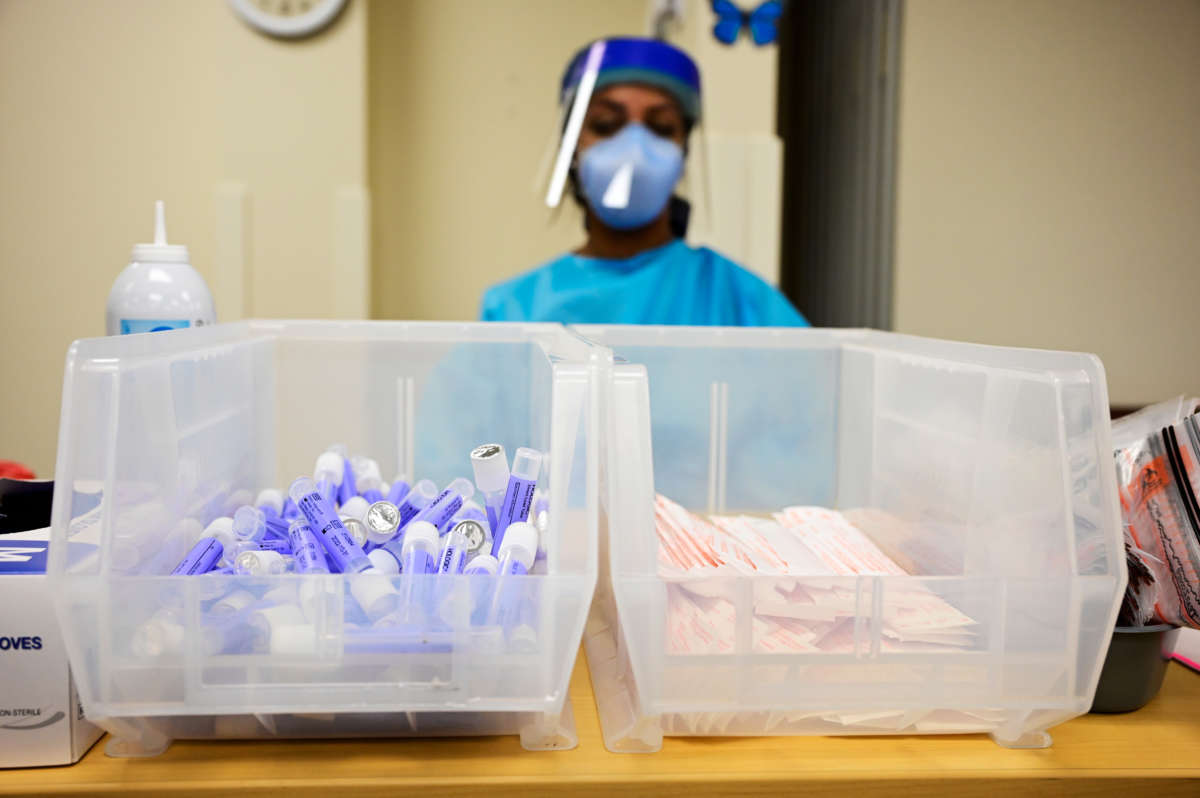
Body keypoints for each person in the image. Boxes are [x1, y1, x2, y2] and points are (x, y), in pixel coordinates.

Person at [481, 37, 807, 327]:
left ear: (684, 153)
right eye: (607, 125)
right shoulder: (513, 312)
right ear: (571, 149)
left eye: (662, 128)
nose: (634, 150)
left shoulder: (737, 299)